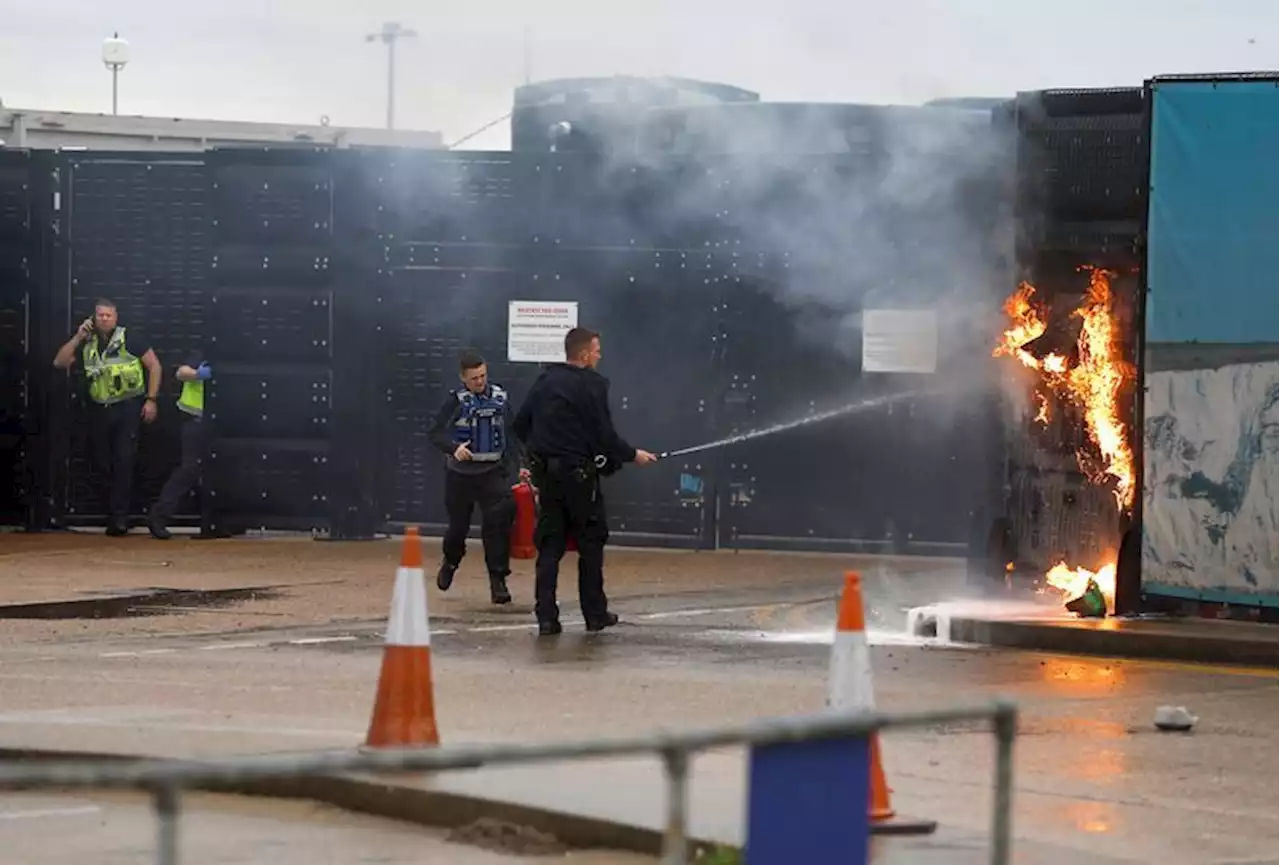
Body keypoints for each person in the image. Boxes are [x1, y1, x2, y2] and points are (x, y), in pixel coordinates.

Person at [513, 327, 658, 636]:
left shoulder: (545, 381)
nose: (599, 355)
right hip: (580, 480)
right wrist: (634, 455)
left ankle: (547, 618)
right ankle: (594, 614)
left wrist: (538, 456)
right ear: (583, 354)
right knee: (591, 544)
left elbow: (519, 425)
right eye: (596, 350)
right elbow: (604, 435)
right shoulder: (592, 386)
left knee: (550, 547)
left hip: (548, 479)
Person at [52, 299, 162, 536]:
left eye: (108, 315)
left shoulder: (130, 338)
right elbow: (60, 362)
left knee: (125, 461)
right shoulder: (87, 341)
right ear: (93, 317)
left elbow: (154, 366)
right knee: (102, 463)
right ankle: (110, 512)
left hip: (128, 408)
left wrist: (151, 400)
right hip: (99, 410)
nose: (104, 319)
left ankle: (119, 519)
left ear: (116, 317)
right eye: (100, 315)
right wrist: (78, 337)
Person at [427, 349, 526, 605]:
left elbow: (512, 434)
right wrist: (454, 448)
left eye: (482, 376)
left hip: (492, 472)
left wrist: (522, 464)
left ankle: (498, 581)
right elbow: (435, 432)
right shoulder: (456, 401)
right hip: (460, 476)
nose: (480, 382)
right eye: (474, 378)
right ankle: (450, 562)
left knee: (497, 528)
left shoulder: (501, 398)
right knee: (458, 527)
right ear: (463, 378)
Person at [148, 351, 213, 540]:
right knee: (189, 470)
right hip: (195, 421)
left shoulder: (236, 358)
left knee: (219, 472)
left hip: (220, 426)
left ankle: (217, 522)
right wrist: (198, 374)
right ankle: (158, 516)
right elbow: (181, 373)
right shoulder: (204, 353)